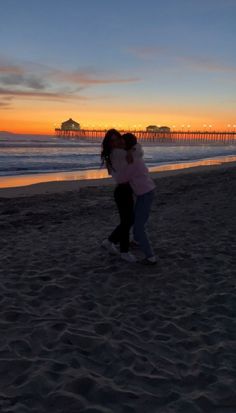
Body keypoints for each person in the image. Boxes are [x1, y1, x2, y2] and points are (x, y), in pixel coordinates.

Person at [110, 133, 156, 265]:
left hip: (146, 194)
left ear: (129, 145)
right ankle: (136, 241)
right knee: (137, 221)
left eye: (123, 143)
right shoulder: (134, 154)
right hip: (146, 192)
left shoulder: (133, 161)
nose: (121, 145)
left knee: (139, 226)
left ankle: (150, 257)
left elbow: (122, 179)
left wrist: (114, 169)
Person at [101, 129, 136, 263]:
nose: (115, 142)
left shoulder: (110, 155)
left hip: (123, 189)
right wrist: (129, 150)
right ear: (109, 143)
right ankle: (123, 251)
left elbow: (112, 172)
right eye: (112, 141)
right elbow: (138, 152)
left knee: (127, 221)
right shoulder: (117, 153)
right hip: (123, 190)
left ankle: (110, 242)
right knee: (127, 222)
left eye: (117, 139)